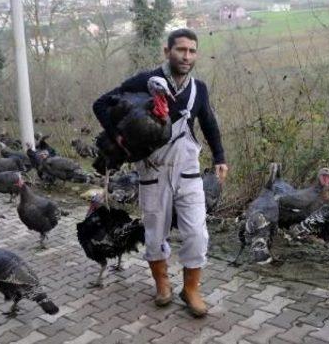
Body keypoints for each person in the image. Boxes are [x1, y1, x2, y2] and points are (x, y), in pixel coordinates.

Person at [92, 28, 228, 317]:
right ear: (167, 52)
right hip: (152, 170)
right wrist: (118, 135)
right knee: (154, 235)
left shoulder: (198, 89)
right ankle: (162, 283)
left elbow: (209, 124)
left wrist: (220, 157)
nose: (186, 56)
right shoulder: (144, 81)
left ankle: (190, 289)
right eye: (181, 50)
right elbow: (100, 104)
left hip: (189, 171)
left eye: (192, 51)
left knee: (197, 234)